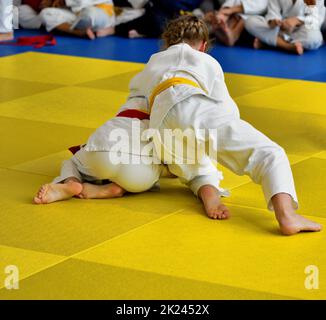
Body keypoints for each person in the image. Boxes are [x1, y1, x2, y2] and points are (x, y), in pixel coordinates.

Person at [129, 15, 322, 235]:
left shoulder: (154, 60)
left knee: (196, 164)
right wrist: (231, 132)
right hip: (193, 106)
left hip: (160, 125)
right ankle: (287, 216)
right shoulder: (208, 61)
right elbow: (226, 109)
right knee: (270, 154)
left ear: (168, 43)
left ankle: (206, 191)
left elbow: (136, 101)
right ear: (202, 46)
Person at [33, 94, 227, 220]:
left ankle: (71, 183)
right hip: (141, 175)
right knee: (192, 171)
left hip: (105, 150)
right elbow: (199, 172)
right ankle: (122, 187)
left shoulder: (141, 95)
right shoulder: (192, 118)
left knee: (72, 161)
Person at [245, 0, 325, 55]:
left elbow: (316, 18)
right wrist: (273, 22)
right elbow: (272, 13)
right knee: (250, 22)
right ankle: (287, 46)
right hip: (279, 28)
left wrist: (298, 20)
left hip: (300, 30)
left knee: (314, 39)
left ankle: (270, 41)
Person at [39, 0, 115, 39]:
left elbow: (80, 1)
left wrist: (60, 1)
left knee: (89, 14)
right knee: (46, 13)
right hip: (76, 16)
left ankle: (107, 29)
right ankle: (78, 32)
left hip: (100, 12)